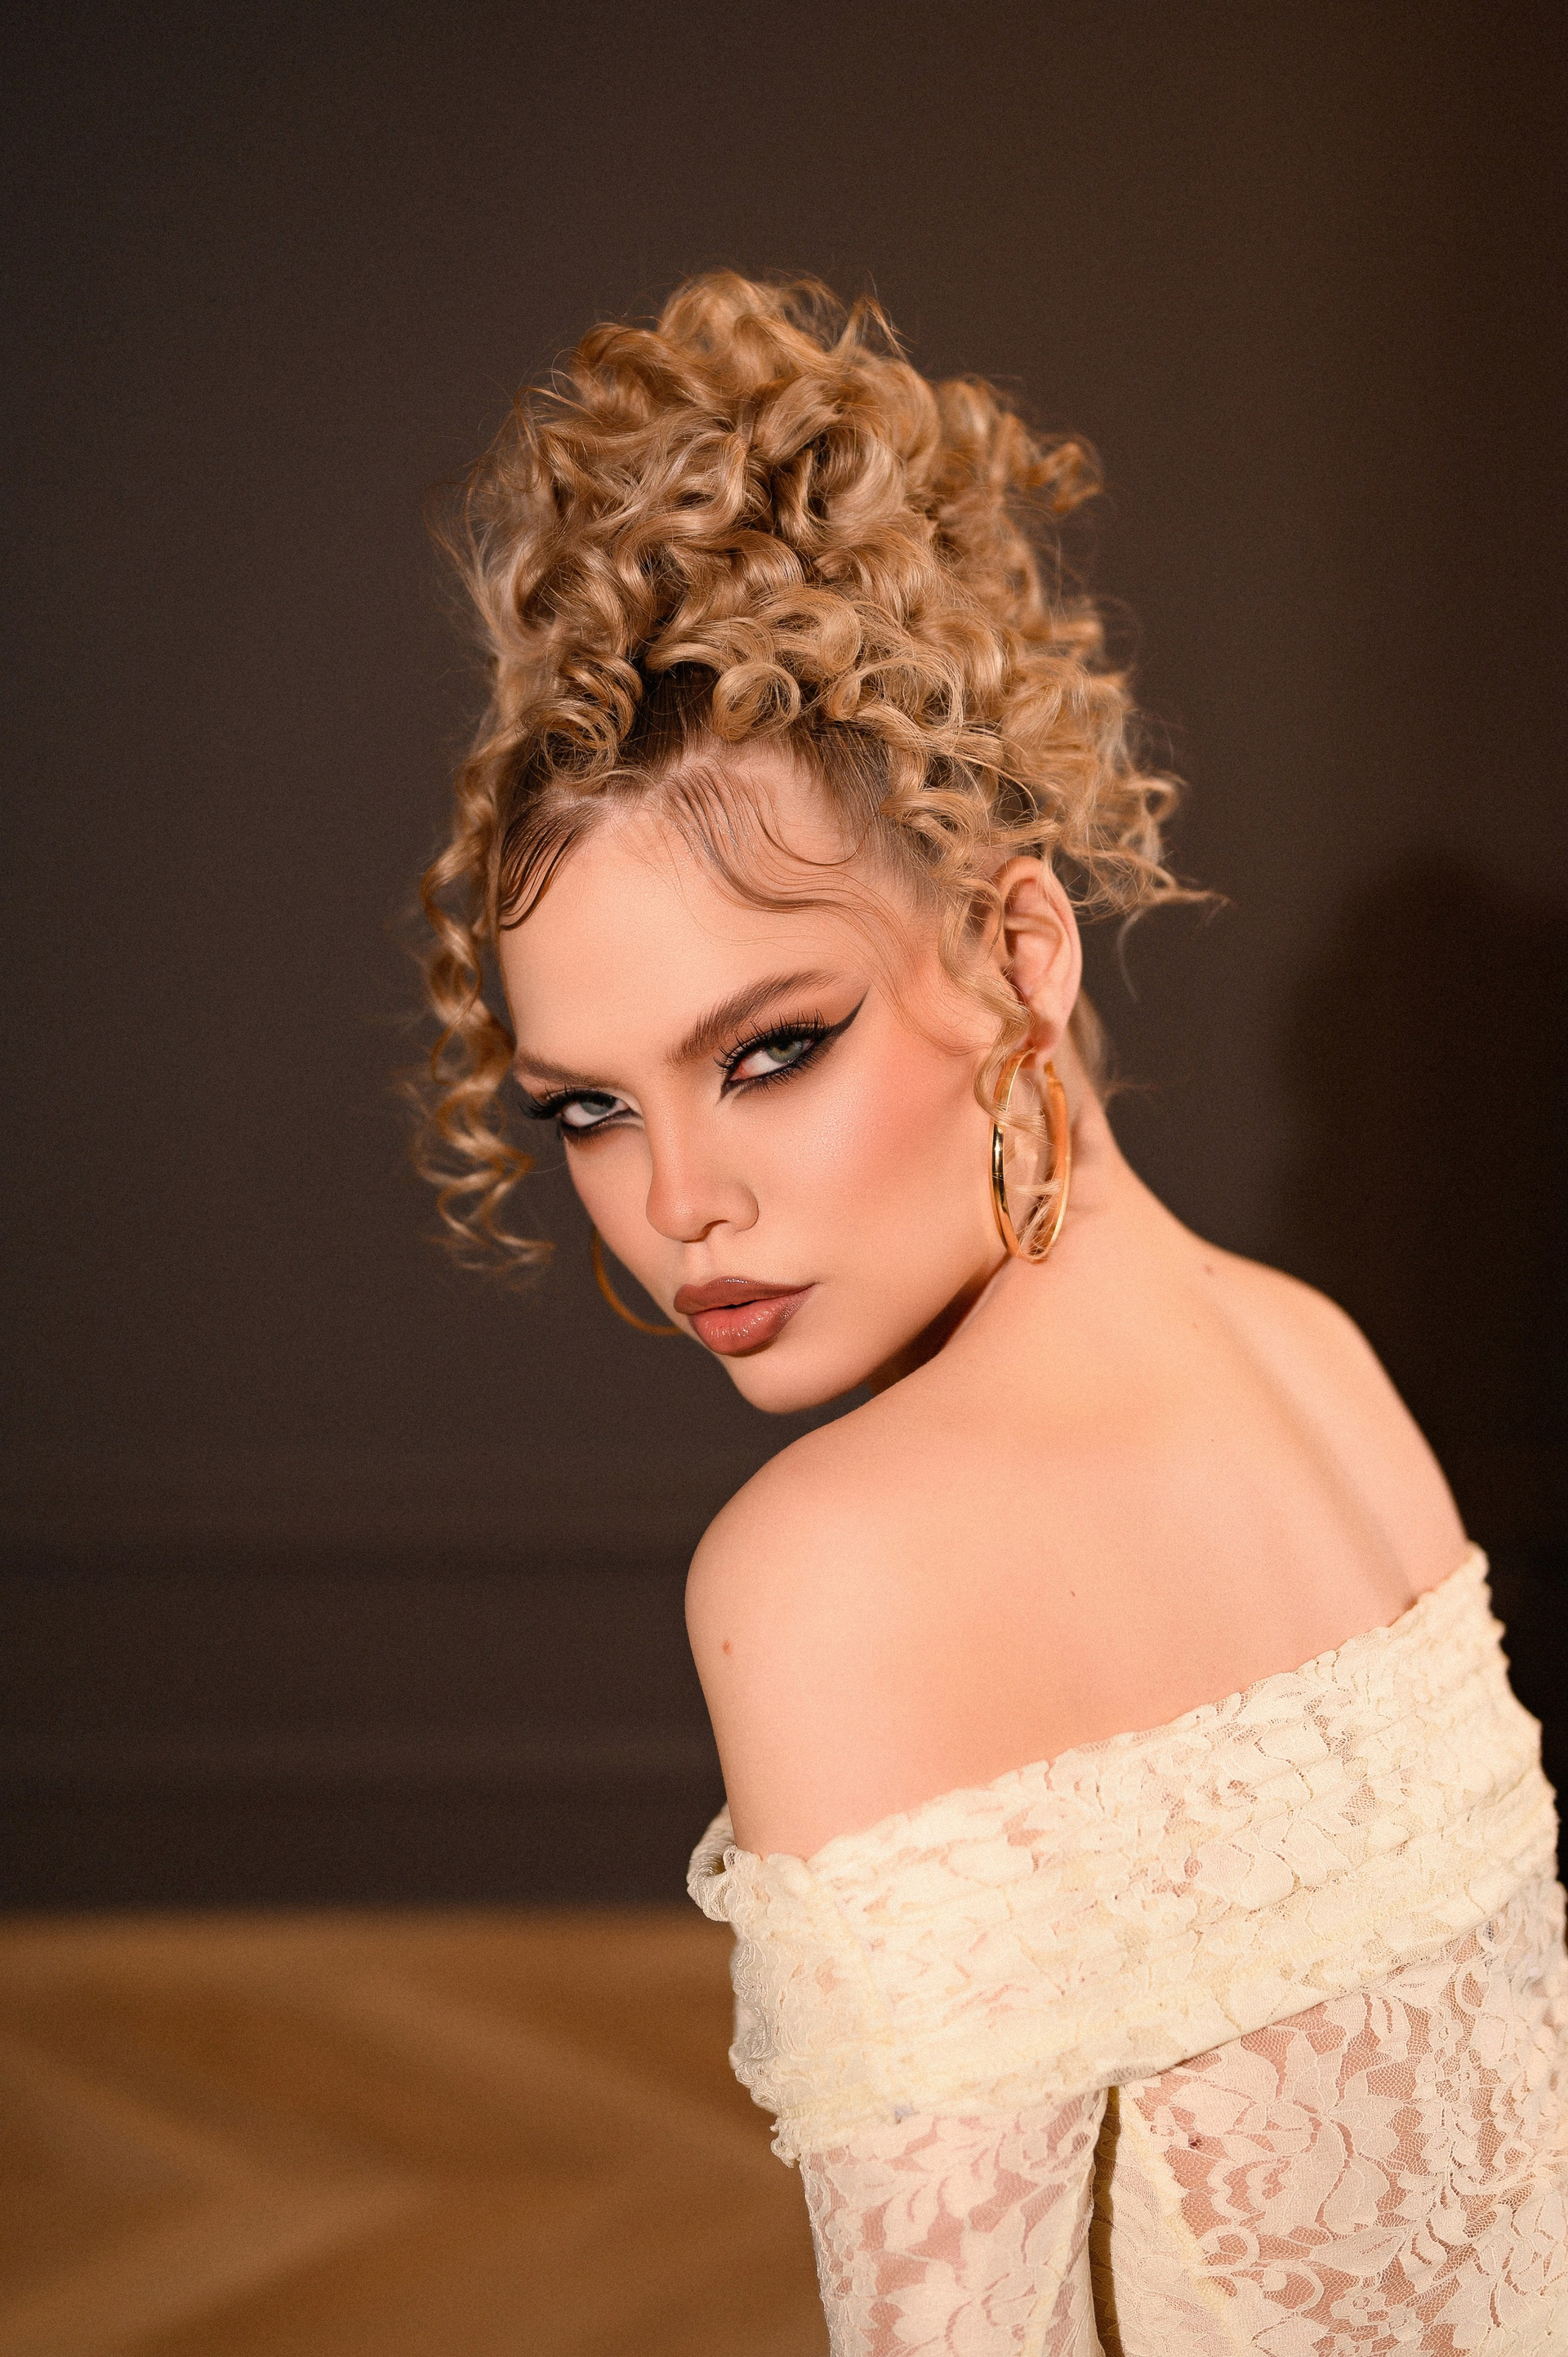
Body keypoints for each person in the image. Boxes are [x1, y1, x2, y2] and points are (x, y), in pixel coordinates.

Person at [414, 274, 1567, 2353]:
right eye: (591, 1107)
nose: (678, 1204)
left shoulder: (835, 1568)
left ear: (1022, 949)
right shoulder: (1319, 1361)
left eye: (771, 1049)